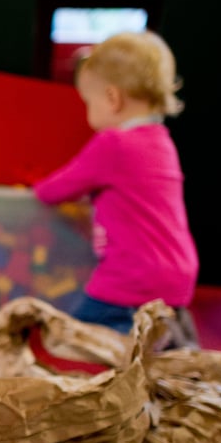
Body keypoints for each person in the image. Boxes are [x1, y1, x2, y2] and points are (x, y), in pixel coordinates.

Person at [33, 31, 199, 344]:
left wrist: (36, 185)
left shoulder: (114, 143)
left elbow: (55, 191)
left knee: (65, 339)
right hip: (178, 274)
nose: (87, 111)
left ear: (112, 98)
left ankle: (132, 340)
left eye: (88, 102)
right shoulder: (161, 140)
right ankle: (168, 335)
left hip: (130, 279)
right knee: (154, 325)